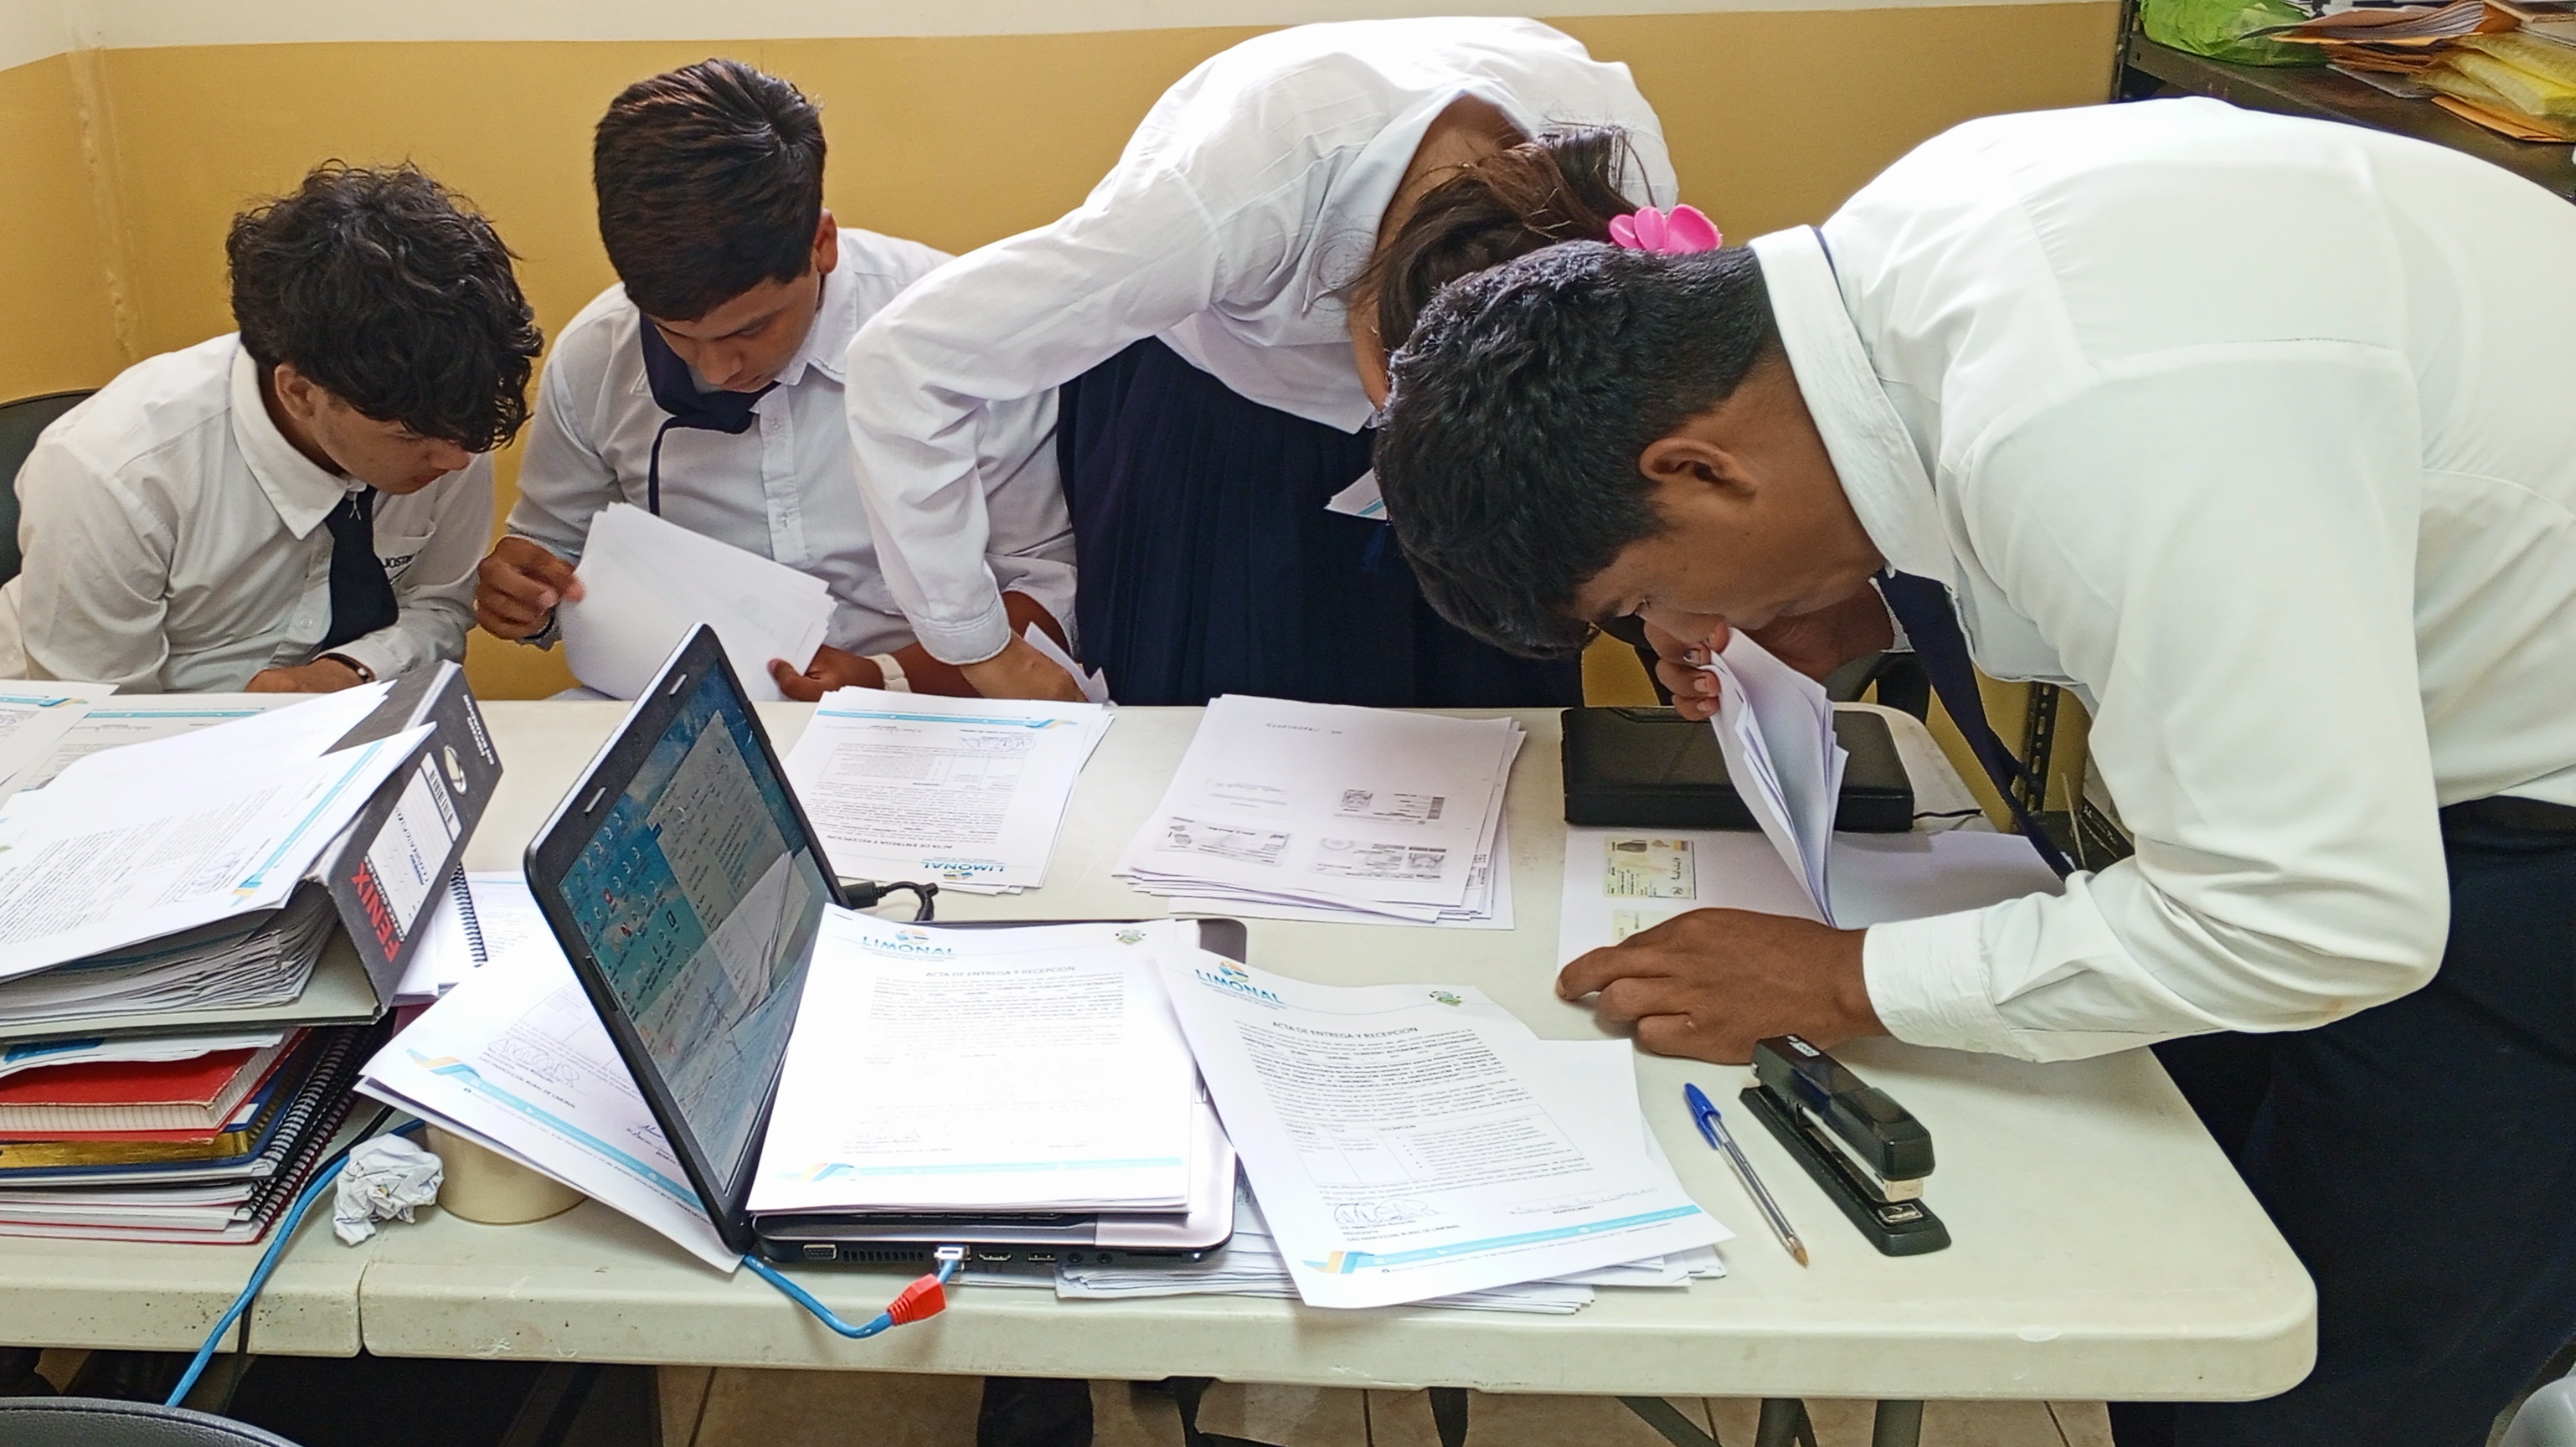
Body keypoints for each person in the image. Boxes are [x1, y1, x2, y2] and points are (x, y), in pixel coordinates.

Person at [1371, 99, 2576, 1445]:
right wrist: (1860, 595)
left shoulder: (2095, 413)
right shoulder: (1915, 246)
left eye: (1644, 595)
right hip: (2418, 751)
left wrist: (1843, 980)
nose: (1682, 631)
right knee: (2183, 1271)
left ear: (1697, 466)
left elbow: (2316, 917)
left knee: (2305, 1385)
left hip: (2532, 841)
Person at [842, 18, 1673, 705]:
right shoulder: (1223, 197)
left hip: (1506, 435)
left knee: (1491, 722)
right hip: (1223, 423)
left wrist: (1666, 603)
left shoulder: (1616, 188)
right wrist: (983, 650)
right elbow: (904, 360)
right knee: (1220, 730)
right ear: (1360, 298)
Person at [473, 59, 1074, 699]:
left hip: (933, 704)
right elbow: (554, 555)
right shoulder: (597, 355)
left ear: (822, 244)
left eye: (750, 329)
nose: (715, 369)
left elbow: (1051, 590)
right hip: (697, 712)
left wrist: (882, 677)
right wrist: (527, 599)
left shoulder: (962, 336)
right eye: (677, 335)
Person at [0, 163, 539, 693]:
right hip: (107, 734)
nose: (455, 461)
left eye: (466, 432)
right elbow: (107, 720)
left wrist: (352, 671)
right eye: (409, 437)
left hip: (328, 728)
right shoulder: (117, 473)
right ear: (299, 392)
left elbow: (439, 606)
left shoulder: (446, 415)